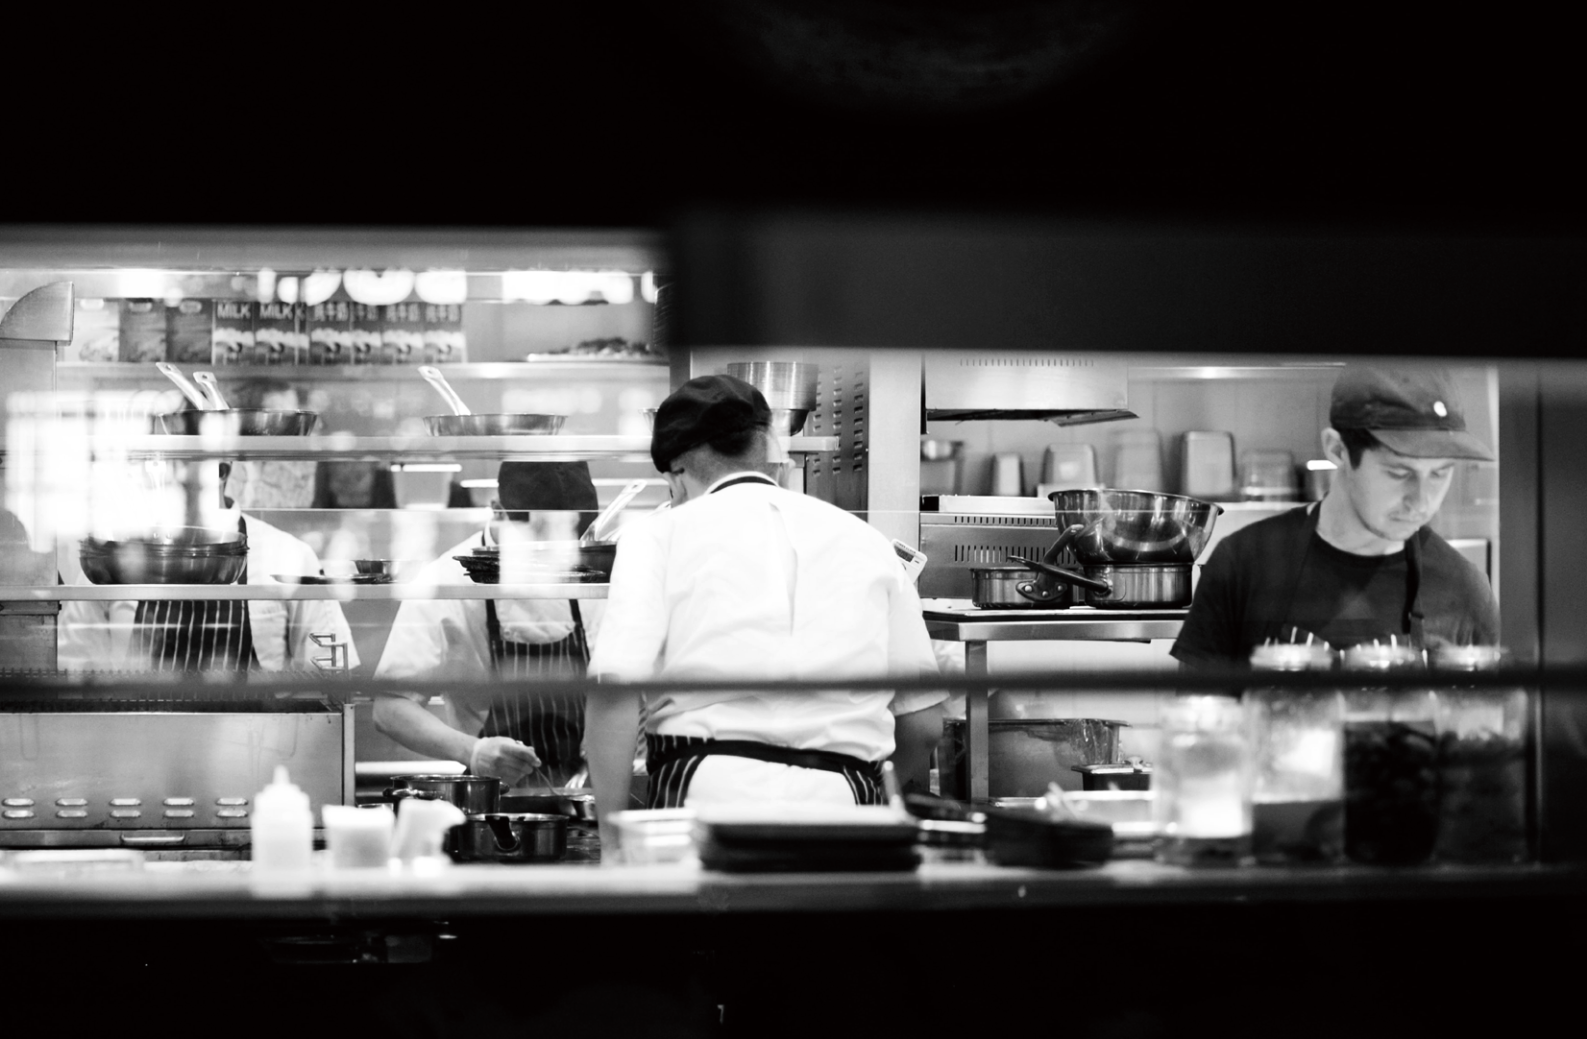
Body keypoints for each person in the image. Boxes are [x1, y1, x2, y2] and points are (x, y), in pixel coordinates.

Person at [585, 374, 944, 841]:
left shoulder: (658, 537)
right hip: (845, 807)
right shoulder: (867, 542)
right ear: (766, 446)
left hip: (705, 799)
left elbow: (612, 694)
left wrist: (614, 846)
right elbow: (924, 724)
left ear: (674, 473)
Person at [1171, 364, 1500, 668]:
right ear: (1338, 450)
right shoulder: (1242, 564)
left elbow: (1483, 726)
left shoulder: (1463, 589)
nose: (1423, 502)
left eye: (1440, 474)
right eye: (1400, 473)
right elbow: (1198, 723)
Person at [372, 462, 604, 788]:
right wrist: (474, 752)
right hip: (491, 807)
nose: (558, 550)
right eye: (540, 533)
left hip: (587, 797)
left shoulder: (593, 574)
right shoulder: (446, 582)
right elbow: (389, 708)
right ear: (497, 511)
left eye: (569, 533)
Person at [58, 461, 359, 673]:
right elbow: (75, 669)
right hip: (139, 750)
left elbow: (328, 672)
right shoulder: (114, 557)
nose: (157, 476)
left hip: (254, 751)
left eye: (174, 464)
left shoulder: (287, 554)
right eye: (154, 464)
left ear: (220, 471)